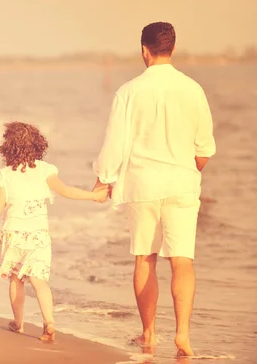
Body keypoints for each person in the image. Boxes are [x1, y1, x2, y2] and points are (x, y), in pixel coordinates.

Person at [92, 22, 216, 356]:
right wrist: (184, 171)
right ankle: (184, 335)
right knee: (182, 260)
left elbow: (114, 144)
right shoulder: (193, 89)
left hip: (142, 184)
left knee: (145, 258)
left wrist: (104, 177)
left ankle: (148, 333)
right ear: (172, 48)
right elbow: (204, 151)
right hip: (182, 183)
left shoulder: (128, 91)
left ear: (144, 50)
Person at [0, 122, 109, 341]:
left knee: (16, 280)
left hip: (13, 235)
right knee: (40, 281)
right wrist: (94, 196)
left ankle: (19, 323)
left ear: (7, 147)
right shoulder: (44, 170)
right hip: (38, 236)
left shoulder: (3, 175)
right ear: (38, 145)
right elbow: (67, 191)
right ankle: (49, 323)